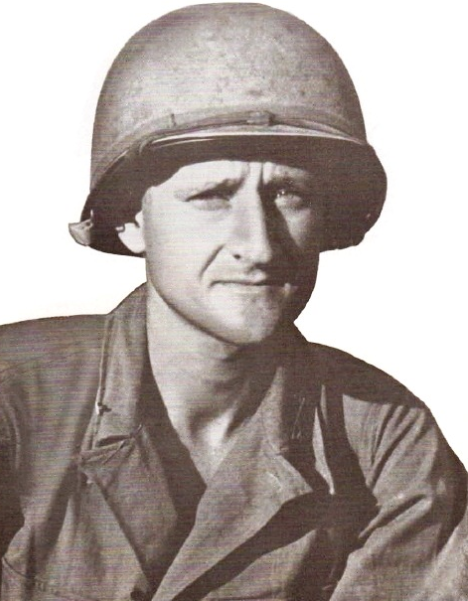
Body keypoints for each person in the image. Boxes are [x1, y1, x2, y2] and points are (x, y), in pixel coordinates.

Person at [0, 4, 465, 600]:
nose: (259, 244)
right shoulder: (15, 401)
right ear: (131, 222)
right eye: (212, 195)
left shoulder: (381, 441)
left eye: (289, 194)